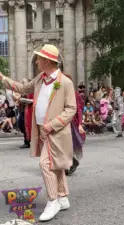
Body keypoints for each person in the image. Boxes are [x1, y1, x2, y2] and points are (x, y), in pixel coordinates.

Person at [0, 44, 77, 222]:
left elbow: (71, 108)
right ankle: (63, 196)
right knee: (55, 163)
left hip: (55, 131)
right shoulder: (40, 79)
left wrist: (52, 124)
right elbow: (22, 87)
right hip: (42, 130)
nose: (36, 62)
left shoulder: (65, 82)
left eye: (39, 59)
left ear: (48, 61)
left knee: (46, 164)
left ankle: (53, 200)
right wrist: (3, 78)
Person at [64, 74, 85, 176]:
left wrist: (80, 124)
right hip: (62, 122)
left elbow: (79, 110)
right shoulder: (60, 93)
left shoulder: (74, 94)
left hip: (71, 123)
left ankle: (70, 163)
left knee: (67, 145)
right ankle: (67, 165)